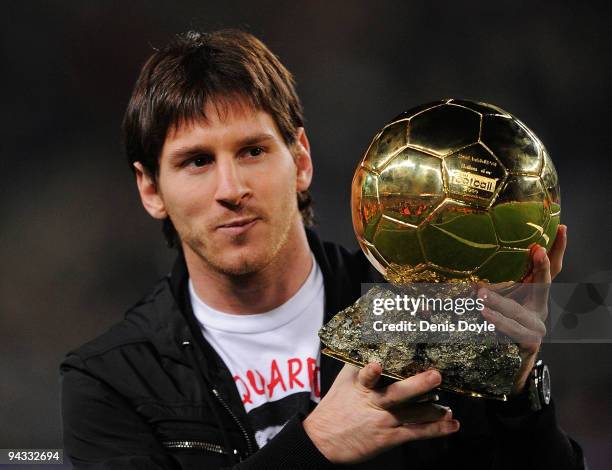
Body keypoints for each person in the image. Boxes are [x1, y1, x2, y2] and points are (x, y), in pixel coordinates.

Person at [60, 29, 585, 469]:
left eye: (253, 150)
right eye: (196, 161)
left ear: (301, 159)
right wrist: (313, 446)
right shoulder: (112, 379)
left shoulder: (423, 312)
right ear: (151, 190)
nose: (230, 187)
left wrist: (520, 395)